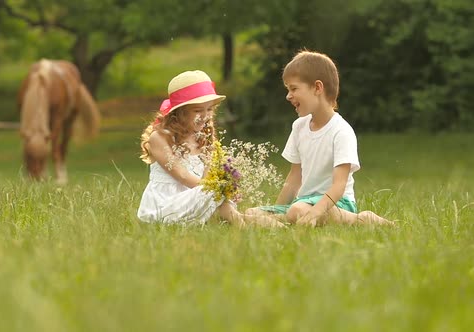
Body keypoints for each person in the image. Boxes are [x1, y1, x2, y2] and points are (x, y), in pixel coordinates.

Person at [246, 50, 392, 227]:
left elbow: (339, 185)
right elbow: (294, 178)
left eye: (293, 88)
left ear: (317, 88)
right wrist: (278, 209)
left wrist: (315, 212)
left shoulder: (341, 131)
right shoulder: (299, 126)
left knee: (297, 211)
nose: (288, 95)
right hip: (303, 202)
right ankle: (286, 220)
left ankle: (361, 219)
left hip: (337, 203)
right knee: (252, 213)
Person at [137, 70, 283, 228]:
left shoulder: (204, 137)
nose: (205, 116)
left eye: (209, 109)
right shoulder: (160, 138)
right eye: (198, 110)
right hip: (167, 204)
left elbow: (208, 178)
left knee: (222, 206)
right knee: (218, 197)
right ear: (179, 112)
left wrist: (223, 190)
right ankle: (243, 227)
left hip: (196, 196)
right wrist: (218, 191)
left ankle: (262, 224)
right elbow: (183, 176)